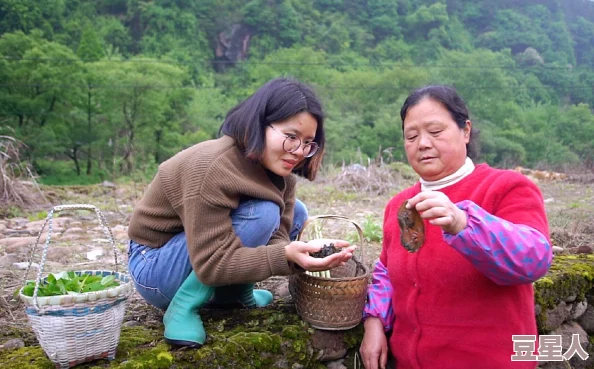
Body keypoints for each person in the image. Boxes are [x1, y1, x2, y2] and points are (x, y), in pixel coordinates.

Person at [127, 77, 356, 348]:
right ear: (260, 124)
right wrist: (284, 256)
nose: (299, 152)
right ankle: (182, 307)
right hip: (155, 266)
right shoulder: (211, 167)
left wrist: (295, 253)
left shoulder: (282, 175)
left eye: (307, 143)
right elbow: (213, 262)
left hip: (199, 255)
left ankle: (234, 293)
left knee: (296, 211)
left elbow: (278, 239)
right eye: (291, 137)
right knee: (263, 213)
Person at [359, 85, 552, 369]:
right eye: (411, 136)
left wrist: (463, 223)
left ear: (465, 131)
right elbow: (386, 271)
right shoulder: (399, 205)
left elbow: (535, 259)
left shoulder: (507, 187)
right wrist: (374, 321)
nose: (422, 143)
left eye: (435, 132)